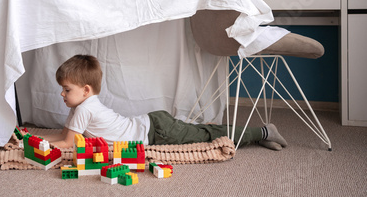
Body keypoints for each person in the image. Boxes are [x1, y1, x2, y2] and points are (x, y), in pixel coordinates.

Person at [40, 54, 287, 151]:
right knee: (200, 130)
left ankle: (264, 131)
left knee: (208, 135)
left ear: (85, 90)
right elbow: (62, 135)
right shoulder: (79, 107)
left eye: (66, 89)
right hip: (152, 123)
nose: (62, 94)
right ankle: (256, 136)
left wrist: (27, 146)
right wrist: (28, 138)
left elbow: (65, 144)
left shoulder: (84, 109)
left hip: (158, 133)